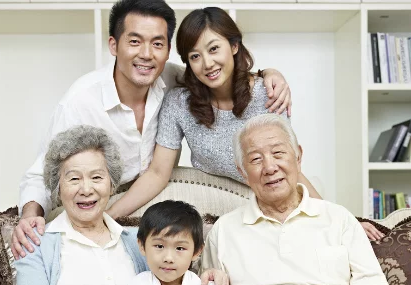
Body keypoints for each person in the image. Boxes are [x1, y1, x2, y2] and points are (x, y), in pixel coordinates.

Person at [12, 0, 293, 259]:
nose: (146, 55)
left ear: (168, 51)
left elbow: (219, 74)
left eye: (157, 44)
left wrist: (270, 73)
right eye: (135, 41)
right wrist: (30, 214)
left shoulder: (173, 78)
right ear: (114, 45)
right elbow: (40, 173)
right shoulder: (80, 102)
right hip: (101, 195)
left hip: (150, 192)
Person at [106, 6, 384, 242]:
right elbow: (157, 173)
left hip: (269, 201)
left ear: (234, 46)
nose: (207, 63)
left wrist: (341, 219)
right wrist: (108, 215)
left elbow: (287, 170)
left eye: (214, 49)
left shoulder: (266, 92)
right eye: (194, 56)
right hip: (217, 205)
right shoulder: (179, 103)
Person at [0, 125, 229, 285]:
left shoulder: (139, 241)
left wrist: (210, 275)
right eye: (74, 178)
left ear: (111, 183)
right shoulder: (37, 240)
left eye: (97, 177)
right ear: (58, 187)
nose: (86, 189)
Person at [201, 113, 411, 285]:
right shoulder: (224, 231)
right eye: (256, 159)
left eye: (278, 153)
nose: (269, 167)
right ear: (242, 171)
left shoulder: (338, 217)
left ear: (298, 156)